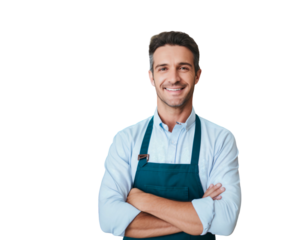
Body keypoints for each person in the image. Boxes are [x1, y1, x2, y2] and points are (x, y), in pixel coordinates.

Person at [98, 29, 241, 239]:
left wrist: (144, 201)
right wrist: (199, 211)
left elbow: (225, 223)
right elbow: (109, 221)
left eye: (183, 68)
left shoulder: (221, 139)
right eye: (163, 68)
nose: (173, 78)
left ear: (198, 75)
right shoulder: (125, 139)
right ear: (151, 78)